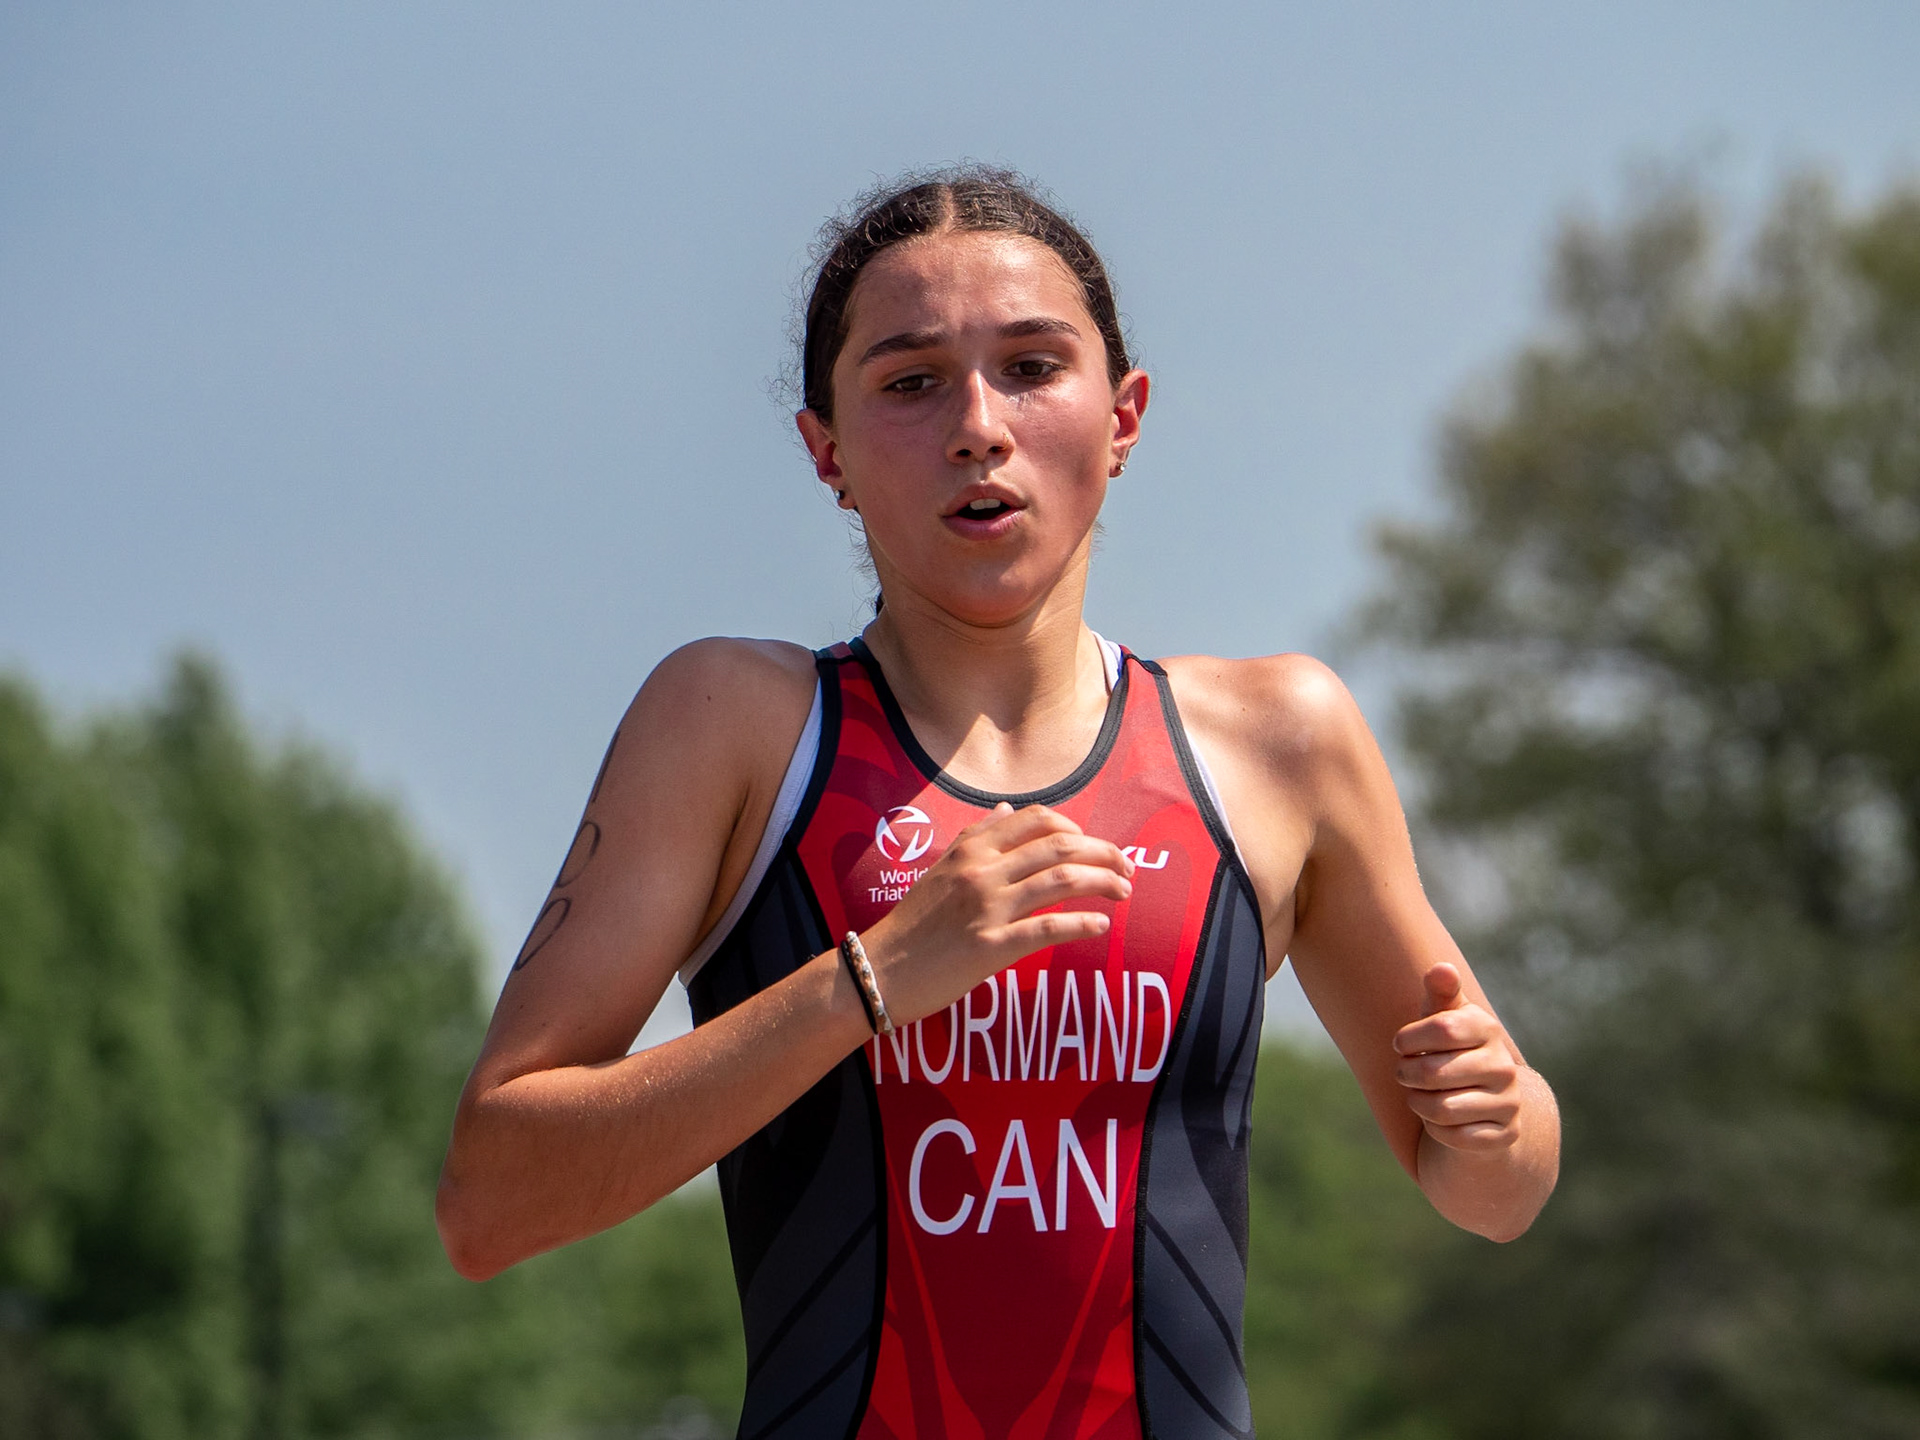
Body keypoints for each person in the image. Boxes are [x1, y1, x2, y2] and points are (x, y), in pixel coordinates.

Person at [436, 166, 1559, 1439]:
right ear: (826, 451)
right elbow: (491, 1202)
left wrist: (1495, 1120)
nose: (978, 425)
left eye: (1031, 367)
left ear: (1124, 417)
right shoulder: (734, 727)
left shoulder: (1279, 742)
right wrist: (868, 983)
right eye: (912, 382)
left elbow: (1498, 1190)